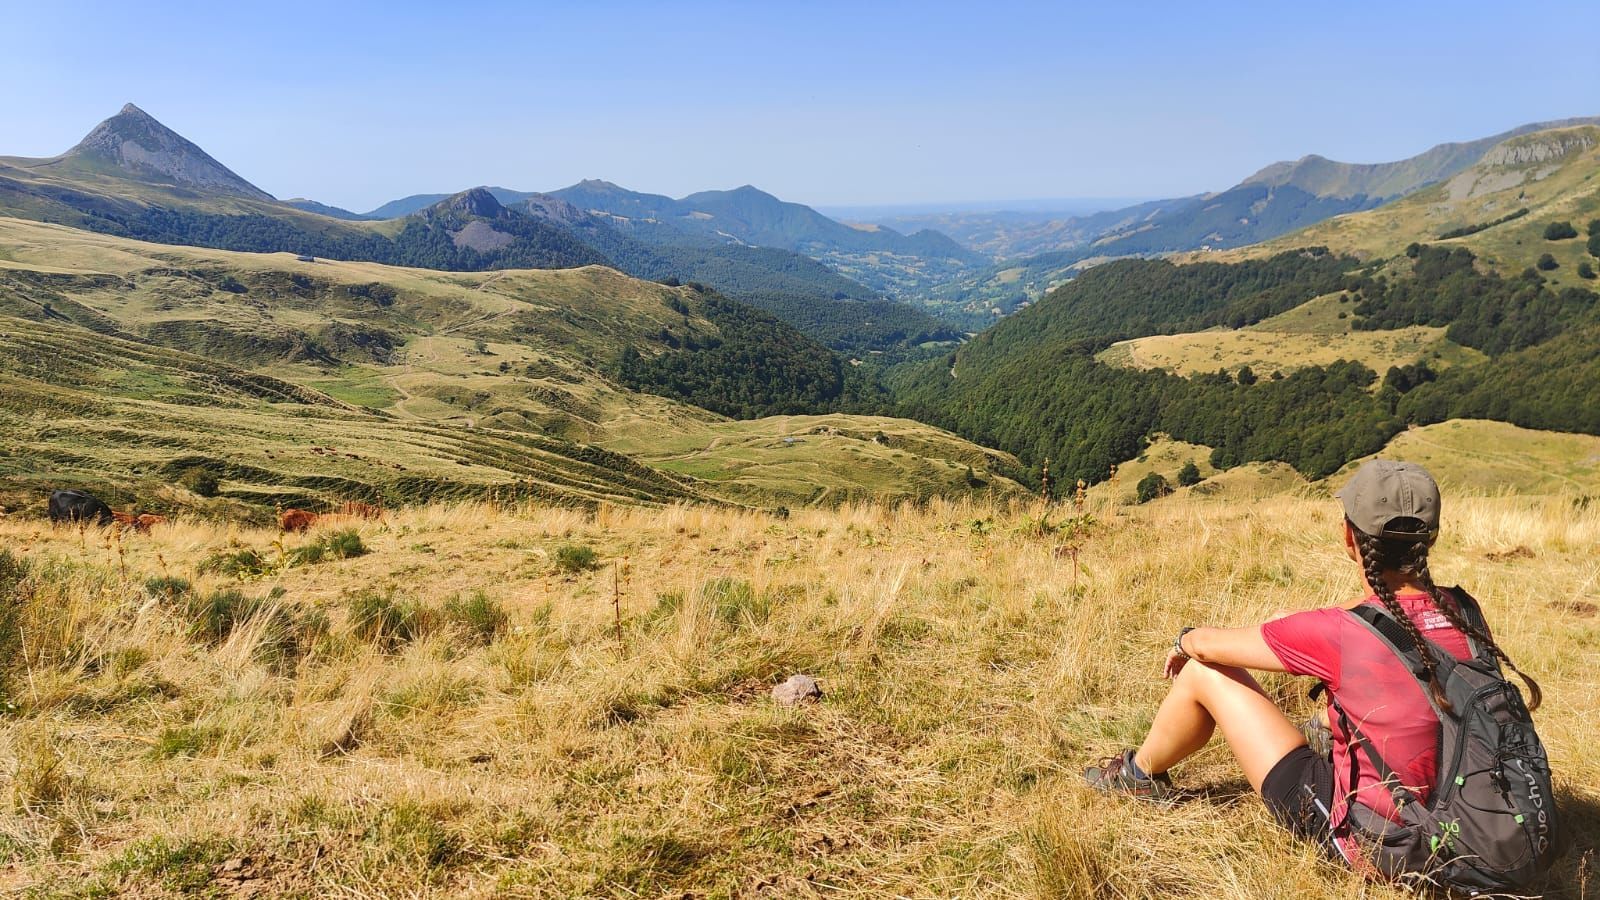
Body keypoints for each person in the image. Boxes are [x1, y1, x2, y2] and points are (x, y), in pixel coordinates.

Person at [1082, 459, 1544, 869]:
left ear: (1349, 536)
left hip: (1385, 840)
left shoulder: (1337, 633)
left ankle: (1137, 776)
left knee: (1203, 674)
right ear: (1431, 539)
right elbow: (1392, 631)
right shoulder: (1464, 610)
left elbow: (1209, 648)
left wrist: (1185, 640)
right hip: (1475, 817)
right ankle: (1324, 733)